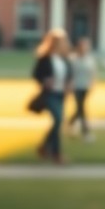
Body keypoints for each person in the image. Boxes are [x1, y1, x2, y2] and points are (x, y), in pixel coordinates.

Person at [31, 28, 72, 165]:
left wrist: (68, 84)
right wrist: (45, 81)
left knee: (58, 122)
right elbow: (36, 74)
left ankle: (43, 147)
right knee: (58, 120)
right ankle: (57, 154)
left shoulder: (65, 58)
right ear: (54, 42)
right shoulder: (45, 58)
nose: (63, 43)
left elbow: (69, 74)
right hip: (50, 94)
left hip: (61, 94)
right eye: (61, 41)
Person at [67, 37, 98, 143]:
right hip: (75, 86)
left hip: (86, 86)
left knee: (80, 108)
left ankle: (70, 123)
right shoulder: (72, 58)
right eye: (83, 45)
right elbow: (69, 73)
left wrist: (93, 83)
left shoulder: (90, 59)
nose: (85, 48)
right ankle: (86, 132)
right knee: (82, 108)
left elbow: (93, 73)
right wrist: (69, 85)